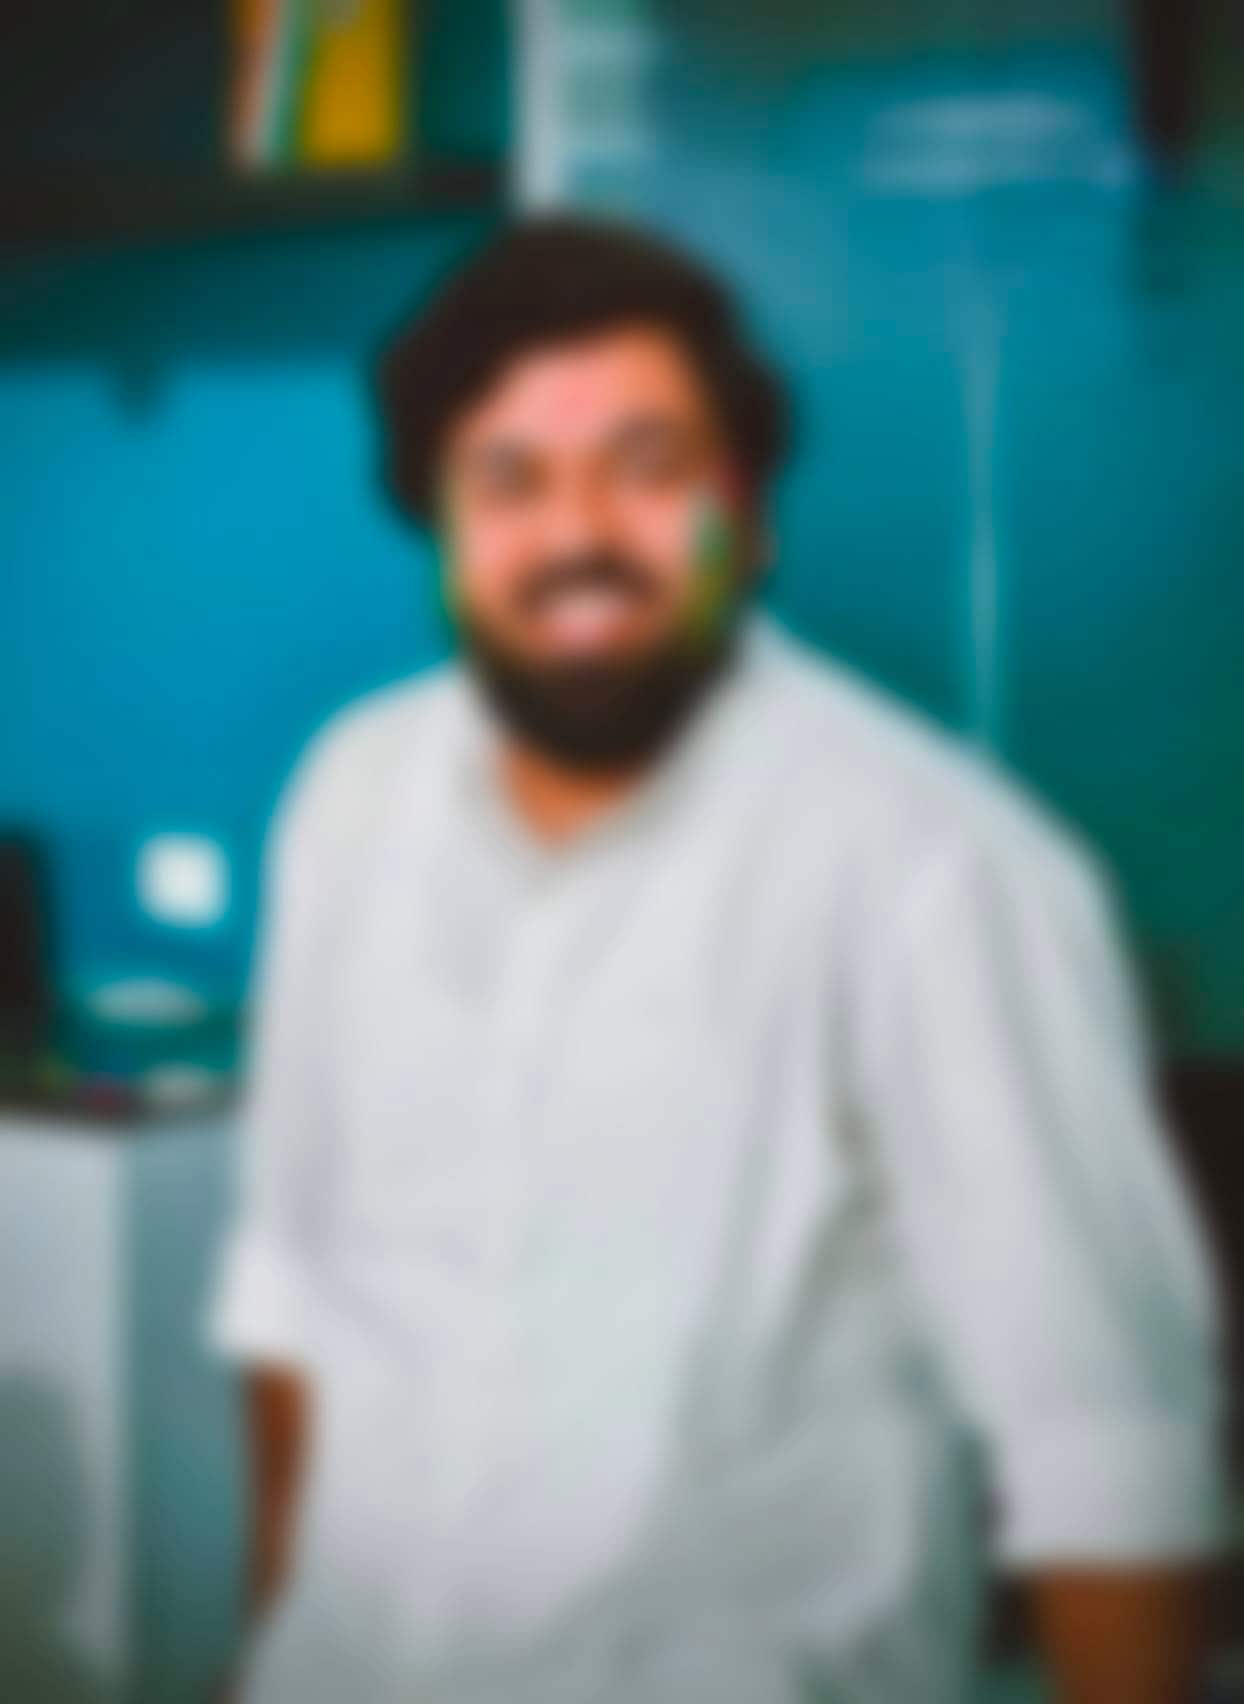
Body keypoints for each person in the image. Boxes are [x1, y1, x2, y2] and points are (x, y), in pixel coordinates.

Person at [208, 216, 1225, 1704]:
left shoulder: (939, 872)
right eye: (508, 479)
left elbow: (1108, 1446)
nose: (577, 537)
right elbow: (298, 1288)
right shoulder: (350, 799)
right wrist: (266, 1649)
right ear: (438, 528)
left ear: (752, 518)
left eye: (648, 465)